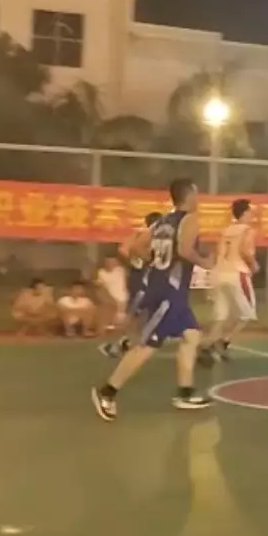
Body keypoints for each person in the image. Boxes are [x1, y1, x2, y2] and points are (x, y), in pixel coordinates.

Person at [91, 178, 214, 421]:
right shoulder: (190, 219)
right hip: (170, 291)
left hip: (167, 289)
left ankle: (185, 392)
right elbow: (185, 250)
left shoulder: (161, 222)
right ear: (189, 196)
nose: (198, 198)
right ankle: (107, 392)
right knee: (146, 346)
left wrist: (156, 262)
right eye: (197, 194)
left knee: (192, 336)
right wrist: (205, 262)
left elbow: (136, 248)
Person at [200, 198, 258, 366]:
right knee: (247, 314)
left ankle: (208, 345)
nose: (251, 215)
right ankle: (224, 341)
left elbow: (217, 252)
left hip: (219, 273)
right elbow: (245, 250)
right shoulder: (247, 230)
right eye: (250, 212)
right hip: (237, 273)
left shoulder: (226, 230)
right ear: (244, 213)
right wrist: (254, 264)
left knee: (221, 315)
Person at [99, 212, 162, 359]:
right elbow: (125, 250)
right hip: (141, 279)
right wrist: (143, 261)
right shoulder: (144, 236)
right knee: (134, 312)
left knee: (144, 312)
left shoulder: (150, 237)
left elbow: (124, 250)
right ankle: (117, 344)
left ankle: (132, 341)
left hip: (147, 278)